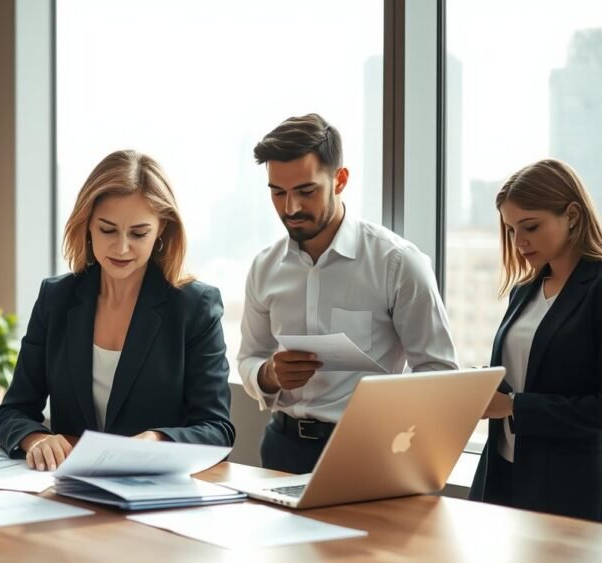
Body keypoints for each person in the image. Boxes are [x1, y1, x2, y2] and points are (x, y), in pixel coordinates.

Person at [237, 113, 458, 474]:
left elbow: (439, 371)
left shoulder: (398, 263)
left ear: (340, 180)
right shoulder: (265, 267)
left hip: (369, 451)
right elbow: (249, 357)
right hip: (281, 448)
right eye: (278, 193)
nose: (290, 208)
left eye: (306, 191)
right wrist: (269, 375)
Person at [0, 150, 235, 471]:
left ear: (162, 229)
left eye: (138, 233)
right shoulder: (56, 297)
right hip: (67, 487)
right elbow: (13, 411)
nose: (121, 248)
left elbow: (217, 430)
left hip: (154, 493)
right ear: (87, 225)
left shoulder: (195, 306)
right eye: (107, 230)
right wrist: (36, 439)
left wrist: (156, 440)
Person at [470, 159, 602, 521]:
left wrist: (514, 406)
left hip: (570, 489)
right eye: (511, 230)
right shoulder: (524, 290)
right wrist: (475, 386)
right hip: (503, 472)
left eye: (530, 226)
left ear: (572, 215)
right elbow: (523, 371)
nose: (519, 241)